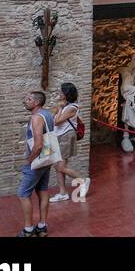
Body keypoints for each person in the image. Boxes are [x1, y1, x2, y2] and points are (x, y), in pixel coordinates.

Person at [18, 90, 56, 237]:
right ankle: (42, 227)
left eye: (28, 99)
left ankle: (28, 230)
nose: (25, 100)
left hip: (38, 160)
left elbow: (39, 144)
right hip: (47, 159)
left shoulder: (36, 118)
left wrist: (29, 160)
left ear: (37, 102)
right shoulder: (47, 114)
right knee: (43, 191)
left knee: (23, 194)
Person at [50, 82, 90, 202]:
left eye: (60, 91)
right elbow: (52, 117)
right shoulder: (63, 105)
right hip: (58, 136)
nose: (58, 92)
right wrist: (58, 108)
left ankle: (83, 180)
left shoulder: (72, 107)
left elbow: (57, 121)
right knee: (57, 166)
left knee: (60, 167)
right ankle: (63, 193)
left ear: (66, 94)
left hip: (66, 137)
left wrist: (60, 108)